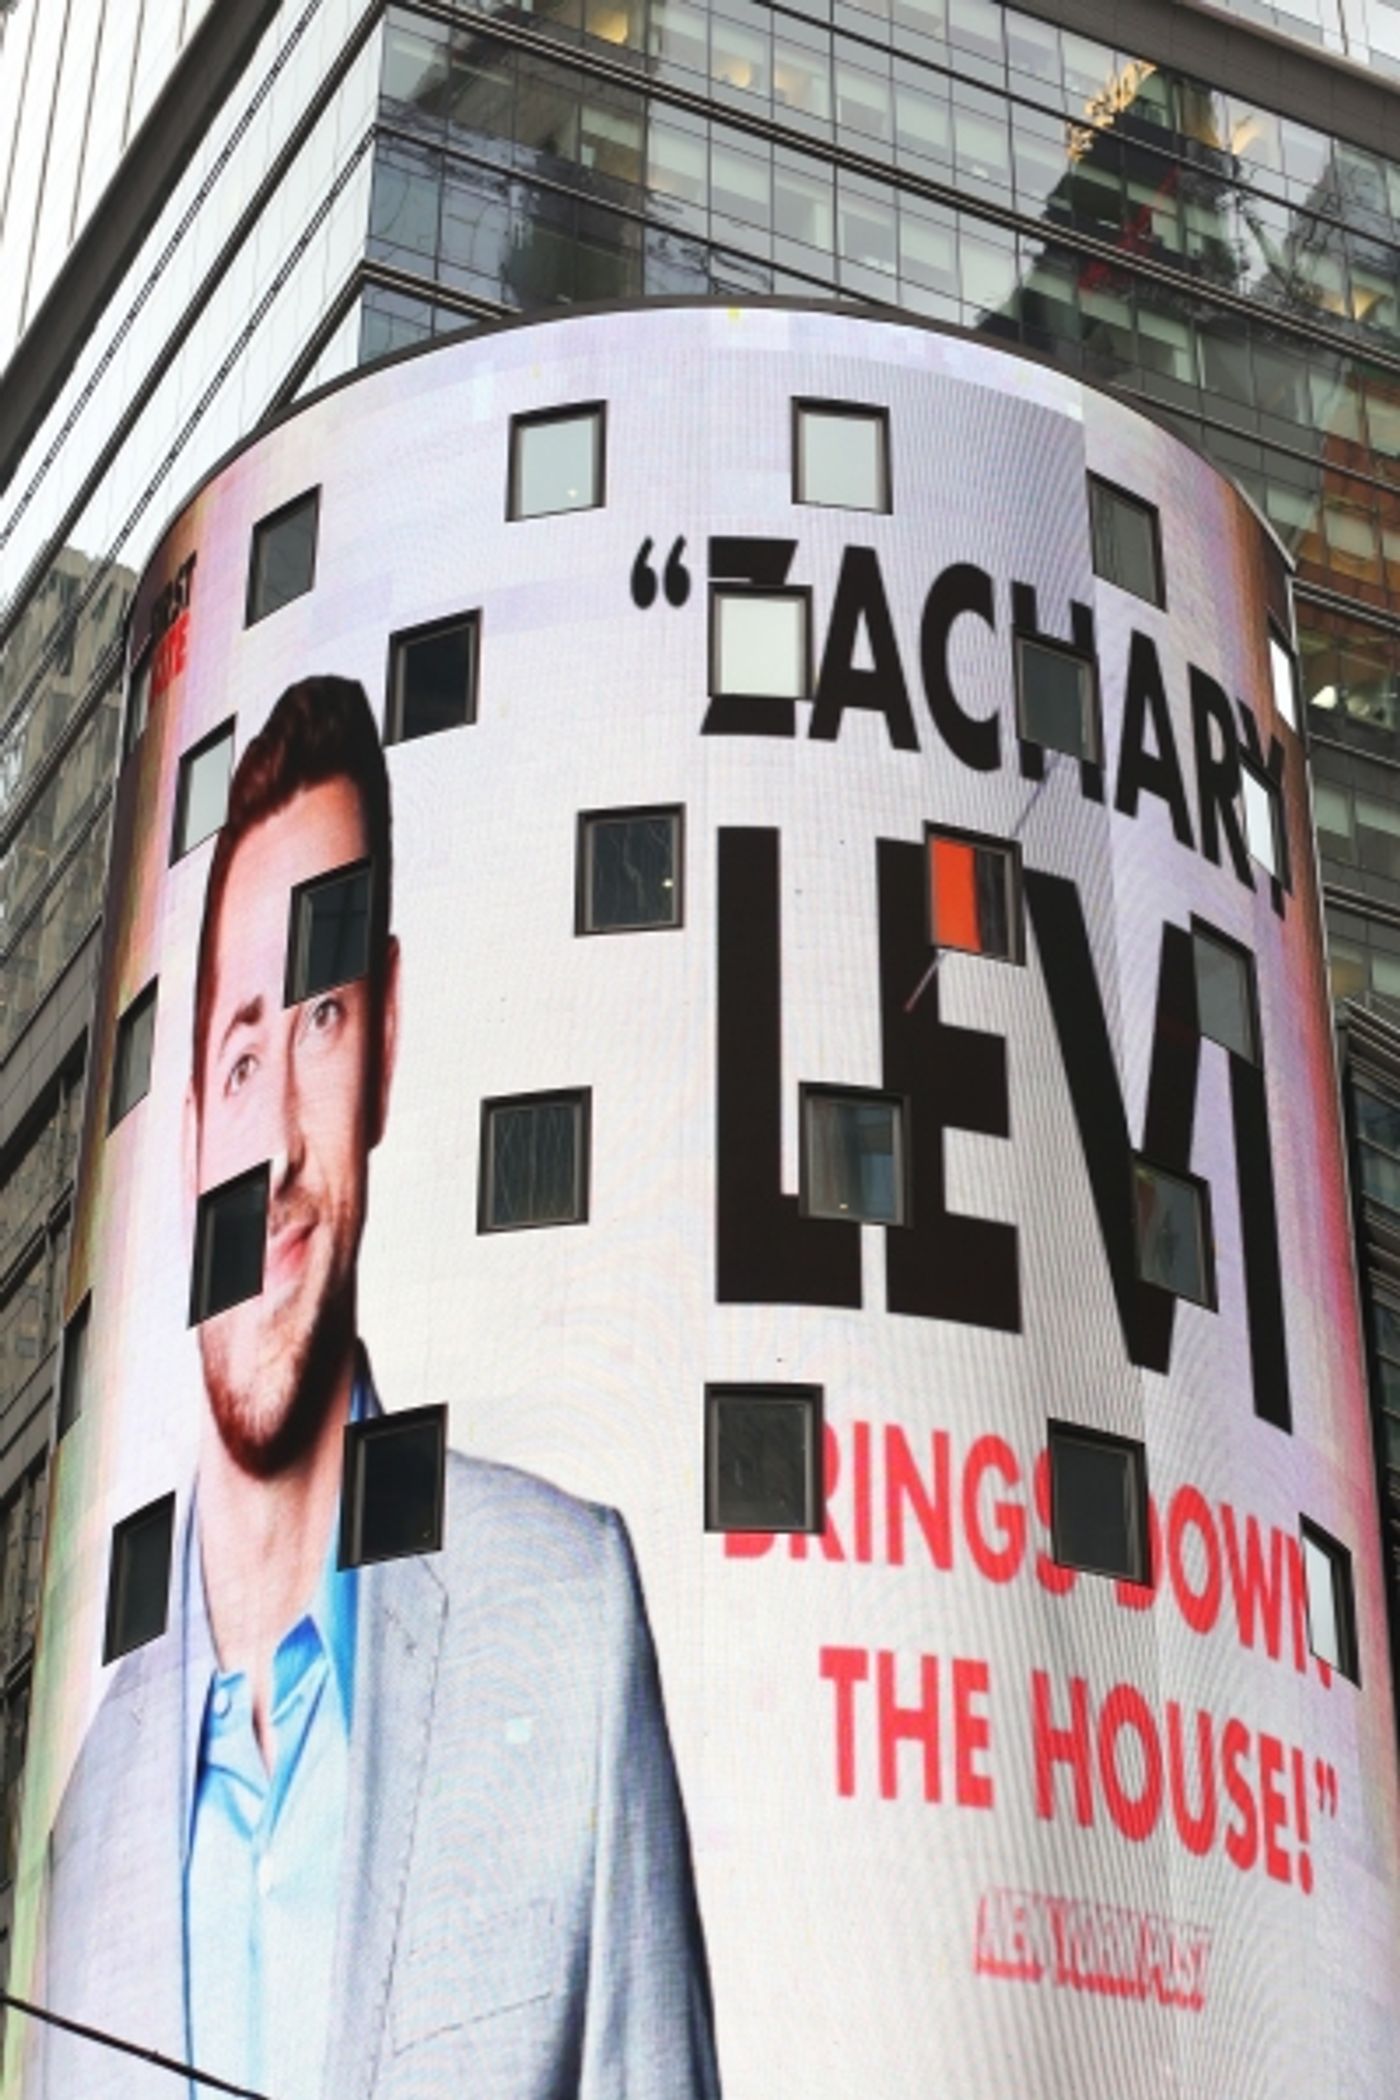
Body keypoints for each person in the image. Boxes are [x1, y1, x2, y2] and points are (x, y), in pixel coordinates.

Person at [29, 677, 719, 2100]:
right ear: (187, 1145)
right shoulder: (86, 1828)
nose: (277, 1137)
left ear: (387, 1044)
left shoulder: (563, 1615)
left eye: (322, 1022)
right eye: (236, 1055)